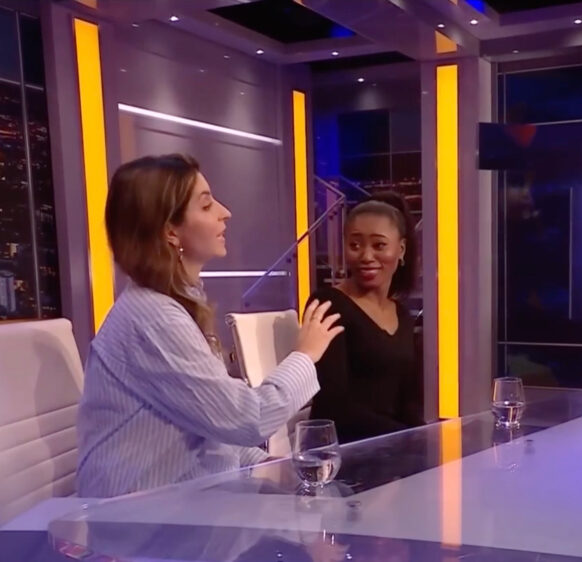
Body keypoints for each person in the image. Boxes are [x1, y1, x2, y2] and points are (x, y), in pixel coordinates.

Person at [76, 154, 343, 498]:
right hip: (140, 518)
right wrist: (305, 354)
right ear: (170, 231)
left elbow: (212, 430)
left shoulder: (175, 305)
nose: (224, 212)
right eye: (206, 205)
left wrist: (268, 465)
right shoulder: (154, 318)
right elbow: (249, 418)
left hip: (188, 504)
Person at [308, 192, 423, 442]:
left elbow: (409, 401)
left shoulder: (402, 315)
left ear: (401, 249)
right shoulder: (328, 304)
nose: (366, 256)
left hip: (392, 448)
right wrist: (406, 439)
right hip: (342, 449)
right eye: (355, 245)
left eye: (379, 245)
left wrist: (424, 439)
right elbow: (333, 405)